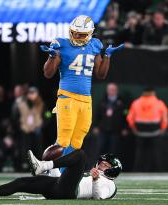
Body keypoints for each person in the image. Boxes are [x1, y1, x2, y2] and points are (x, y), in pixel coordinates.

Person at [40, 15, 124, 164]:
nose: (76, 36)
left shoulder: (95, 45)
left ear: (90, 33)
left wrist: (107, 57)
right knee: (63, 140)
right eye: (74, 32)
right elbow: (48, 73)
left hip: (86, 100)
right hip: (67, 97)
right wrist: (52, 57)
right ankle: (48, 169)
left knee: (77, 141)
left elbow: (101, 74)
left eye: (81, 34)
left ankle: (65, 173)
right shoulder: (62, 44)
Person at [0, 150, 122, 200]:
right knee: (22, 182)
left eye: (105, 165)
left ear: (112, 170)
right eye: (101, 162)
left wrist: (95, 180)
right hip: (59, 187)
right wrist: (52, 169)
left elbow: (99, 198)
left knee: (80, 155)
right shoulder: (90, 174)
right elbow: (63, 178)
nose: (101, 165)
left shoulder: (110, 184)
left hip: (70, 192)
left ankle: (42, 165)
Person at [126, 87, 168, 172]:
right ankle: (158, 171)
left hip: (140, 133)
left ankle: (137, 171)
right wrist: (163, 128)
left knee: (140, 154)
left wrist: (133, 128)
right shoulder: (159, 103)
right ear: (153, 92)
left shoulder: (136, 103)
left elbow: (129, 118)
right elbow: (165, 118)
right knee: (156, 153)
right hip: (155, 132)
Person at [93, 83, 128, 156]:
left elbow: (126, 116)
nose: (111, 91)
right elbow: (97, 115)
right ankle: (99, 166)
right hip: (103, 130)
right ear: (107, 91)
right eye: (110, 89)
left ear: (116, 91)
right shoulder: (102, 102)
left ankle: (112, 167)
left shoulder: (122, 103)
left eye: (113, 90)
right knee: (100, 149)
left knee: (113, 150)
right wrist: (95, 126)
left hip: (116, 131)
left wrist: (125, 128)